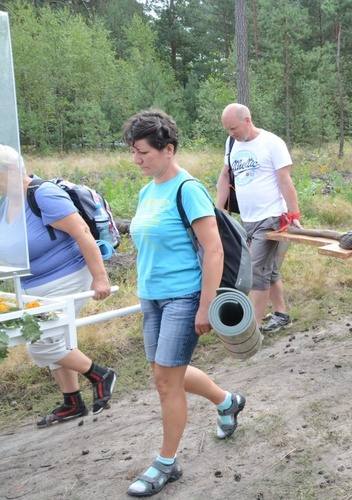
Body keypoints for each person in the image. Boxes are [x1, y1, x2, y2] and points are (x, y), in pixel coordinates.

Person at [124, 109, 245, 497]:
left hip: (183, 296)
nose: (136, 159)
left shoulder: (187, 189)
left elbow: (213, 250)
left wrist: (204, 304)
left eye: (142, 152)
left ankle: (166, 462)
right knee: (166, 371)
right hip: (152, 296)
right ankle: (228, 401)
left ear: (168, 149)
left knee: (165, 381)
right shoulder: (148, 190)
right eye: (133, 152)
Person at [0, 144, 116, 428]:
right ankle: (72, 402)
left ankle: (100, 374)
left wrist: (100, 277)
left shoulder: (44, 195)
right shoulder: (4, 203)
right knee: (54, 340)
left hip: (67, 277)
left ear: (12, 170)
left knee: (40, 345)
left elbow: (82, 233)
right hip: (28, 285)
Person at [217, 103, 302, 333]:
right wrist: (219, 212)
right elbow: (225, 176)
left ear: (247, 120)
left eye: (234, 128)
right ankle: (282, 315)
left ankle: (253, 329)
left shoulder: (272, 143)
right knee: (269, 269)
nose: (231, 133)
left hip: (271, 217)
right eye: (227, 129)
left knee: (255, 271)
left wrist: (294, 214)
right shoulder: (232, 143)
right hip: (248, 219)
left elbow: (285, 181)